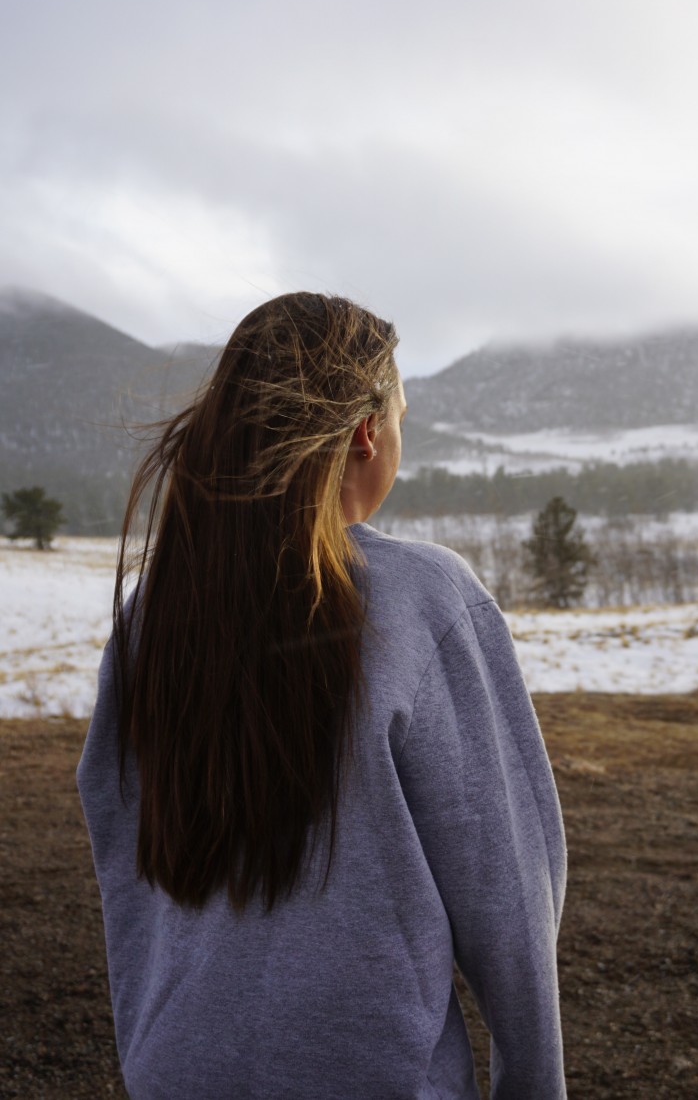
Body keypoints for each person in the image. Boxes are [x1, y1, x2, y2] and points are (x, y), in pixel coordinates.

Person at [77, 292, 567, 1099]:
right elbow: (509, 901)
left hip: (175, 1075)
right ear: (367, 431)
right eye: (401, 415)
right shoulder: (425, 599)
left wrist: (156, 1045)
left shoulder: (151, 616)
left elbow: (123, 860)